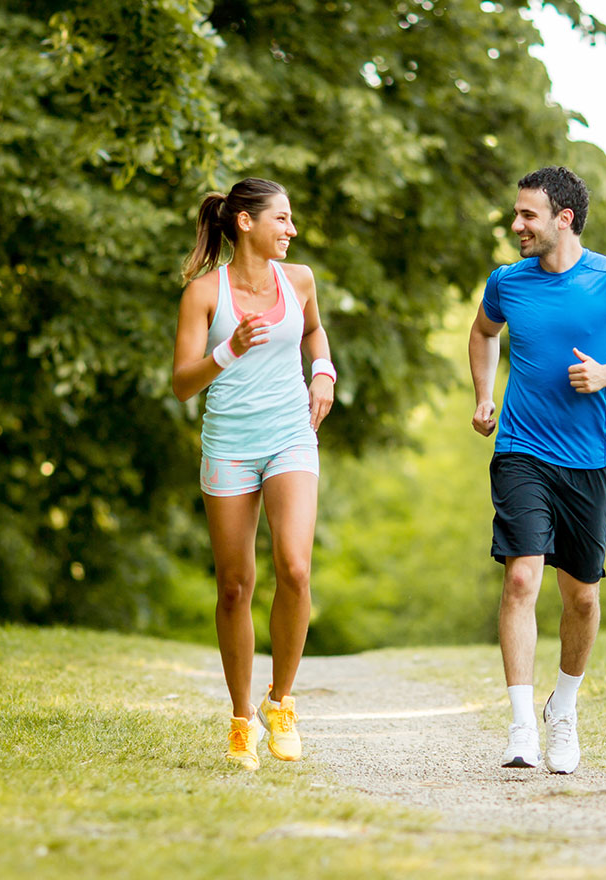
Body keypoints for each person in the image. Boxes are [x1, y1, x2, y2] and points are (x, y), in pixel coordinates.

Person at [467, 166, 606, 774]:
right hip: (521, 450)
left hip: (588, 460)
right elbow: (482, 334)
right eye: (516, 213)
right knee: (521, 579)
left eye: (528, 215)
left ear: (565, 219)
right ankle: (521, 726)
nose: (516, 225)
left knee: (581, 597)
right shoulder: (508, 283)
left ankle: (565, 707)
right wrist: (484, 394)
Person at [170, 177, 339, 771]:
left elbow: (315, 331)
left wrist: (323, 371)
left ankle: (281, 702)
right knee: (235, 586)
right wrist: (229, 348)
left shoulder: (299, 281)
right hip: (230, 444)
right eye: (283, 220)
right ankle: (241, 719)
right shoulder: (203, 294)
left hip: (291, 433)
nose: (292, 230)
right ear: (246, 222)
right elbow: (182, 383)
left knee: (294, 566)